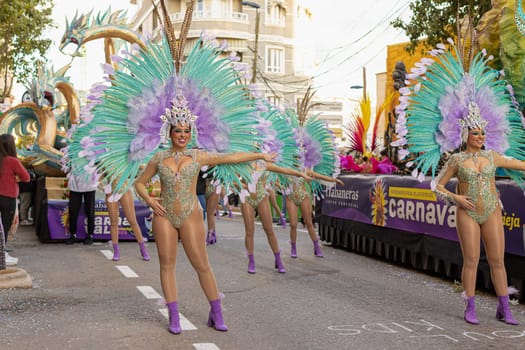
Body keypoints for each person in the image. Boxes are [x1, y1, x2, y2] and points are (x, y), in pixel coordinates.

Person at [135, 120, 278, 334]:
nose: (182, 135)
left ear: (191, 133)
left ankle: (216, 312)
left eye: (186, 131)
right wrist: (149, 200)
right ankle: (174, 316)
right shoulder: (159, 157)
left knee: (201, 264)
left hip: (190, 214)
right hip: (164, 215)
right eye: (177, 131)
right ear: (170, 132)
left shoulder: (198, 155)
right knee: (166, 265)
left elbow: (230, 157)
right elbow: (139, 182)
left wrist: (260, 156)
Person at [434, 124, 525, 325]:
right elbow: (437, 186)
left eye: (483, 132)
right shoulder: (456, 159)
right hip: (467, 212)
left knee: (497, 260)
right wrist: (456, 197)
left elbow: (521, 165)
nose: (480, 136)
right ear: (466, 135)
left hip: (491, 210)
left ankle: (505, 307)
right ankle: (470, 306)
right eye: (475, 133)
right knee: (472, 259)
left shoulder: (492, 156)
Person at [240, 162, 311, 274]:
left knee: (269, 230)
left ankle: (278, 259)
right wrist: (244, 185)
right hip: (246, 198)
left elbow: (283, 170)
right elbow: (232, 180)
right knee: (249, 231)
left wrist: (301, 174)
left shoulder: (263, 164)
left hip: (261, 196)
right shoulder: (242, 163)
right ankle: (251, 261)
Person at [286, 170, 344, 258]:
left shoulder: (305, 169)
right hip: (291, 198)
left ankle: (316, 247)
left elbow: (320, 176)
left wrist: (334, 180)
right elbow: (276, 175)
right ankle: (293, 247)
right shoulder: (287, 167)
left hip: (303, 197)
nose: (297, 157)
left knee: (309, 223)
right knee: (293, 224)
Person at [0, 134, 30, 265]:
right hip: (8, 197)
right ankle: (2, 255)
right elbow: (26, 177)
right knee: (5, 227)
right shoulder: (12, 161)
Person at [105, 189, 150, 261]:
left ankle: (143, 249)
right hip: (111, 191)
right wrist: (104, 187)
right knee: (114, 222)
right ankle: (116, 251)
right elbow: (99, 179)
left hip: (124, 189)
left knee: (132, 220)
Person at [65, 170, 97, 245]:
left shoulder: (94, 157)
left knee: (90, 211)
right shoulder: (72, 157)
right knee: (73, 211)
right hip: (75, 185)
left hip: (90, 185)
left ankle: (90, 235)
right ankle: (73, 235)